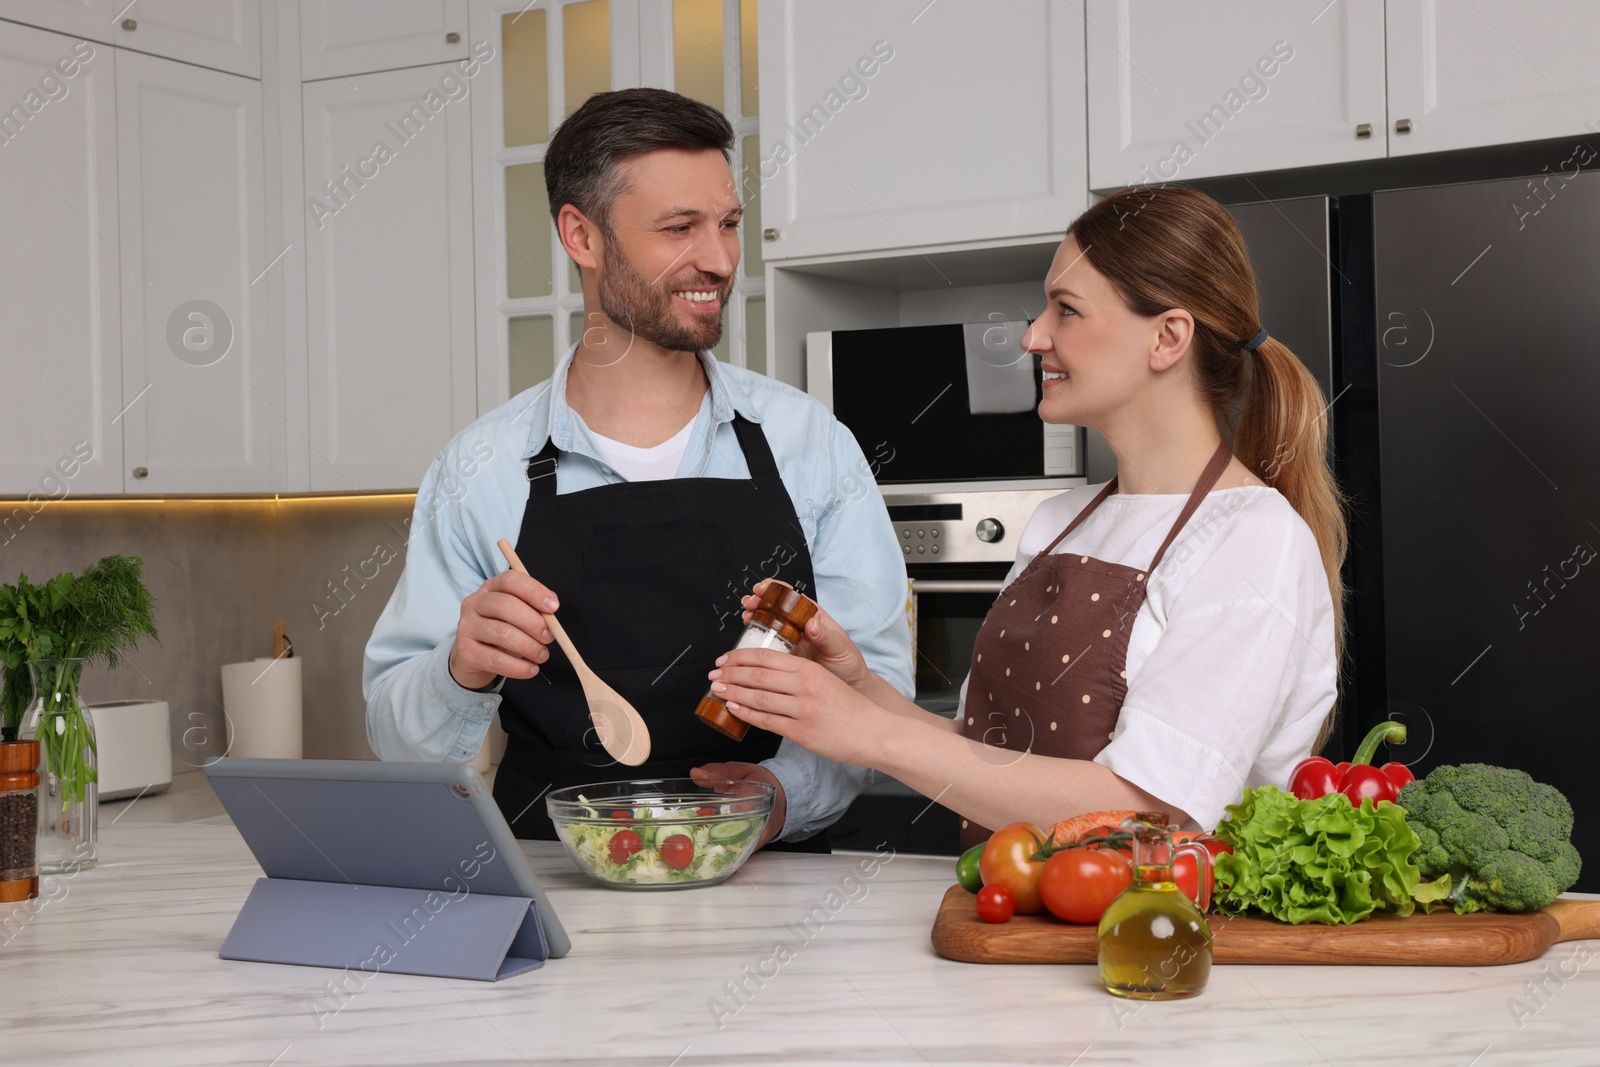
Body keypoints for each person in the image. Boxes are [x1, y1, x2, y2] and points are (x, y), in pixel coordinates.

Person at [705, 185, 1345, 844]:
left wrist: (875, 733)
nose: (1033, 335)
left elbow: (1144, 815)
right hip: (1013, 923)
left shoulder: (1251, 541)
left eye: (1066, 310)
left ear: (1168, 337)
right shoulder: (1061, 519)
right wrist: (860, 687)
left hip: (1155, 938)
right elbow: (984, 756)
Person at [363, 88, 913, 848]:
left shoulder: (809, 443)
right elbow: (398, 740)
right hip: (552, 880)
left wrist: (779, 798)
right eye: (679, 228)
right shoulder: (477, 467)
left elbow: (880, 697)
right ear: (580, 235)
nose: (719, 261)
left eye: (728, 225)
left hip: (770, 887)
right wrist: (460, 667)